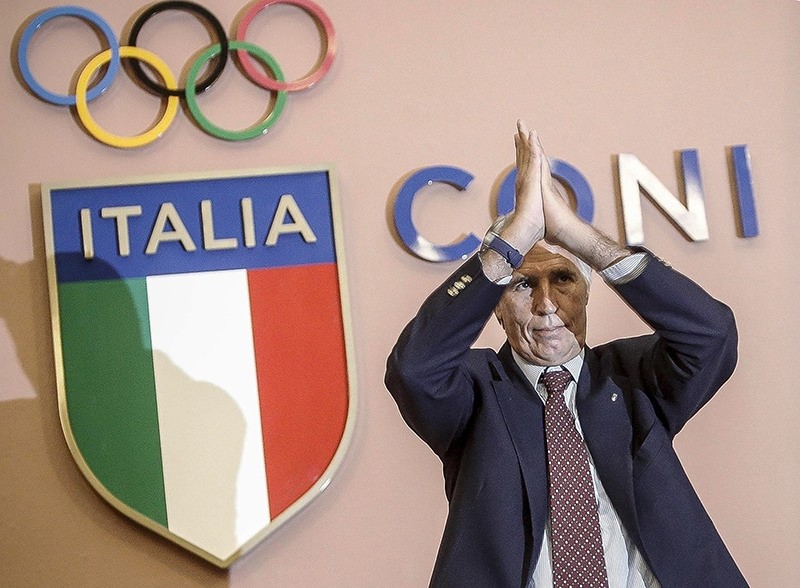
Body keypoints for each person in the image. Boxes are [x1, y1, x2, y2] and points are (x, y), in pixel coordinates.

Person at [384, 121, 747, 587]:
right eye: (523, 285)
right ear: (496, 307)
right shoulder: (474, 391)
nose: (546, 305)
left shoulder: (633, 379)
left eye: (563, 279)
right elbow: (413, 370)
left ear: (587, 293)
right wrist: (514, 241)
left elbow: (712, 334)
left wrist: (580, 239)